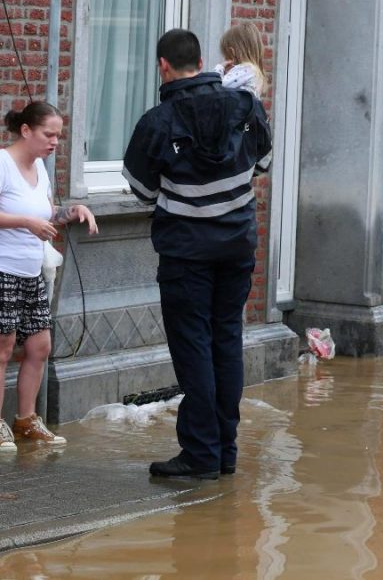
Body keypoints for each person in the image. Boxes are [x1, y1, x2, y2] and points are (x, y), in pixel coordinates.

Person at [123, 28, 272, 480]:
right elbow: (261, 164)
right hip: (236, 247)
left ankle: (201, 454)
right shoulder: (246, 106)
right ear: (202, 60)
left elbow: (142, 191)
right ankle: (225, 451)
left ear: (163, 66)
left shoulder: (158, 121)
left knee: (194, 350)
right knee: (227, 342)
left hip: (186, 254)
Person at [0, 101, 99, 451]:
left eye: (59, 135)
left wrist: (73, 211)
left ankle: (26, 419)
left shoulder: (40, 169)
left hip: (30, 270)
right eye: (49, 134)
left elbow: (46, 213)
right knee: (1, 346)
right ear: (26, 131)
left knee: (39, 345)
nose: (55, 142)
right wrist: (28, 223)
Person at [211, 22, 268, 99]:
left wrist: (219, 68)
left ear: (232, 52)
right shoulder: (255, 72)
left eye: (226, 56)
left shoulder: (246, 68)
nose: (225, 59)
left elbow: (216, 88)